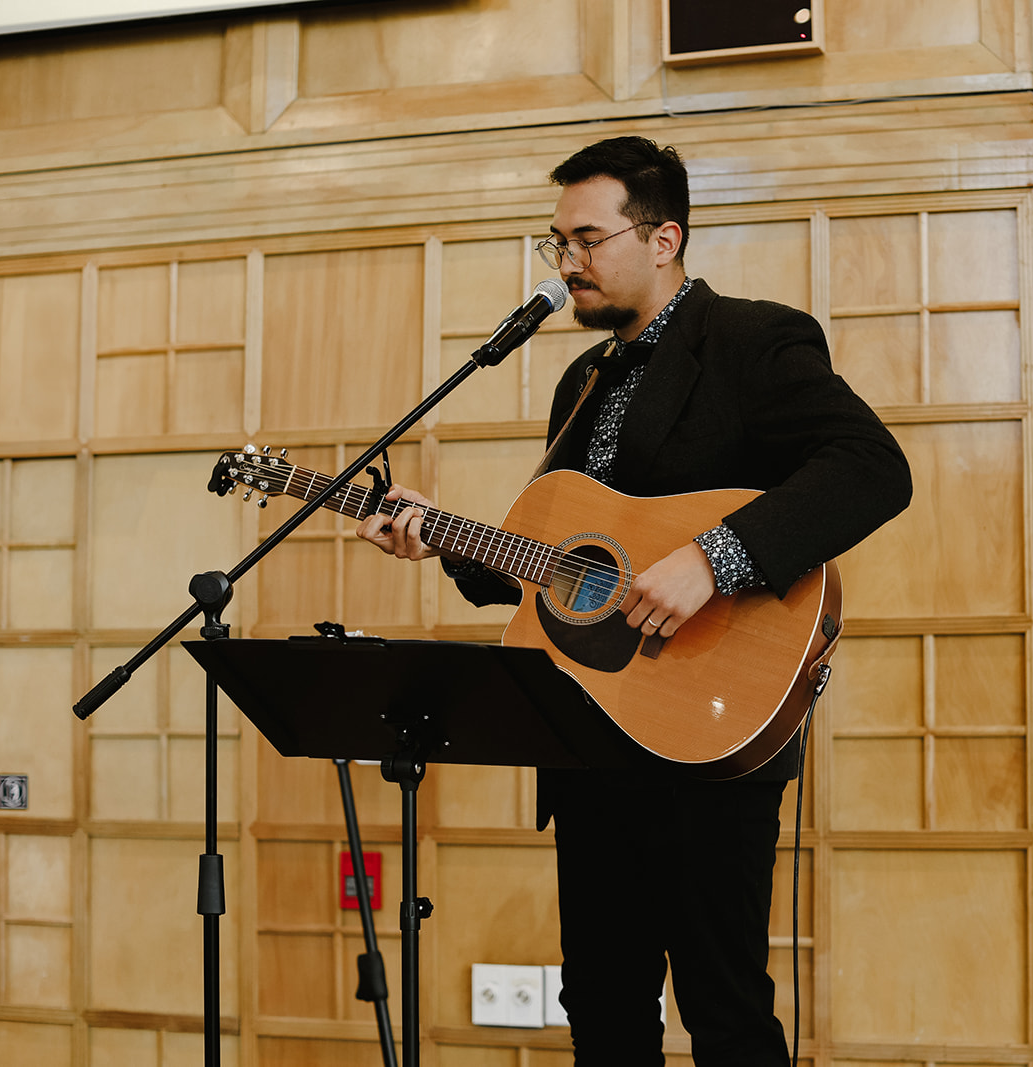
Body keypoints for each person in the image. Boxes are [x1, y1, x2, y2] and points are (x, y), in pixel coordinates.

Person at [357, 136, 911, 1065]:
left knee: (723, 1004)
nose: (567, 264)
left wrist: (716, 558)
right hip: (588, 731)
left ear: (664, 239)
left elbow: (871, 469)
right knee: (603, 1004)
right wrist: (436, 534)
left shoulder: (751, 340)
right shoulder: (584, 382)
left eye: (586, 239)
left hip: (711, 723)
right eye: (555, 244)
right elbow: (560, 561)